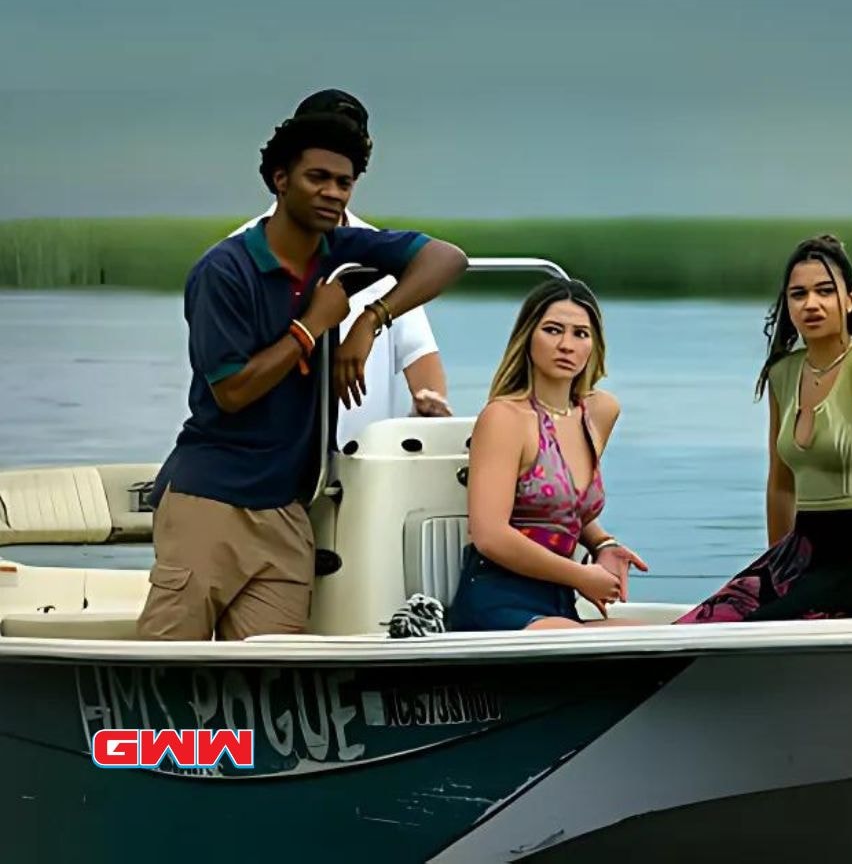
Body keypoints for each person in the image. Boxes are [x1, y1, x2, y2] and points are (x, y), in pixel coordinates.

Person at [135, 112, 469, 641]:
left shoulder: (341, 250)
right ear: (280, 180)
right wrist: (313, 325)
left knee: (276, 685)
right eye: (318, 178)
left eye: (344, 182)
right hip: (209, 502)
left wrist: (370, 319)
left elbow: (447, 258)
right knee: (169, 673)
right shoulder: (224, 270)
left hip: (288, 514)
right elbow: (232, 392)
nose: (333, 193)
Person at [675, 234, 852, 623]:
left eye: (825, 291)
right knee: (701, 622)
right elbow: (781, 484)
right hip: (804, 550)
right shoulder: (782, 373)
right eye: (799, 294)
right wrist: (779, 570)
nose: (811, 303)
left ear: (850, 299)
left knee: (760, 623)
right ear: (787, 305)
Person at [230, 89, 451, 447]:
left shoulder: (380, 248)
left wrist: (431, 408)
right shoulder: (237, 256)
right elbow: (229, 382)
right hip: (271, 464)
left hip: (365, 465)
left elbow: (419, 353)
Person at [447, 278, 649, 630]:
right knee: (590, 644)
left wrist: (604, 544)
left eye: (580, 334)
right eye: (553, 330)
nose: (566, 345)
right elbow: (489, 534)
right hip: (498, 598)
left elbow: (566, 505)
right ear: (528, 337)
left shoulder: (599, 413)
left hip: (558, 601)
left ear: (594, 346)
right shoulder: (505, 418)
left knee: (660, 638)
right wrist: (581, 576)